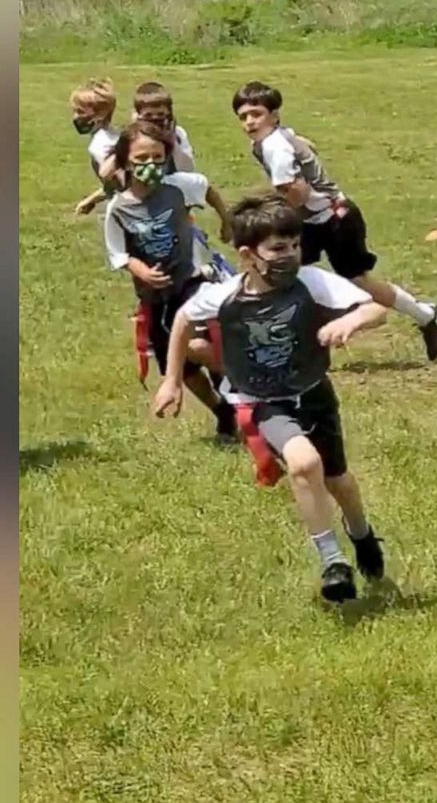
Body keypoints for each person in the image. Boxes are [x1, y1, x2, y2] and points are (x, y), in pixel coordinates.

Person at [152, 194, 392, 602]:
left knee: (339, 481)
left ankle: (362, 534)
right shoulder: (224, 295)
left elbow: (376, 309)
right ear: (248, 255)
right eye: (278, 249)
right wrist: (172, 380)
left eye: (295, 245)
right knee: (304, 463)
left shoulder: (310, 283)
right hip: (264, 401)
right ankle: (332, 561)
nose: (290, 255)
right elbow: (182, 319)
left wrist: (351, 320)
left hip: (314, 393)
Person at [231, 80, 437, 362]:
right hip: (319, 218)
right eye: (243, 117)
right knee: (286, 275)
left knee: (356, 280)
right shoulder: (274, 137)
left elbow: (297, 194)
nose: (249, 122)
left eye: (256, 114)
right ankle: (298, 342)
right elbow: (304, 144)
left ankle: (427, 315)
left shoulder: (275, 147)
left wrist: (268, 210)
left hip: (335, 220)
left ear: (274, 114)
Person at [101, 120, 237, 441]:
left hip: (193, 281)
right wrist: (141, 271)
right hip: (155, 297)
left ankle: (235, 388)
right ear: (124, 163)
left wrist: (226, 219)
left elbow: (208, 189)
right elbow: (118, 253)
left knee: (198, 344)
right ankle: (223, 412)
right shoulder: (118, 209)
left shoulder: (179, 186)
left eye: (158, 158)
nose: (151, 166)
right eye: (142, 159)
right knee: (182, 371)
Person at [69, 78, 120, 215]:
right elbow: (113, 187)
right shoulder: (113, 135)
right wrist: (92, 200)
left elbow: (122, 186)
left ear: (101, 114)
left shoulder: (101, 147)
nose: (75, 117)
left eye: (80, 112)